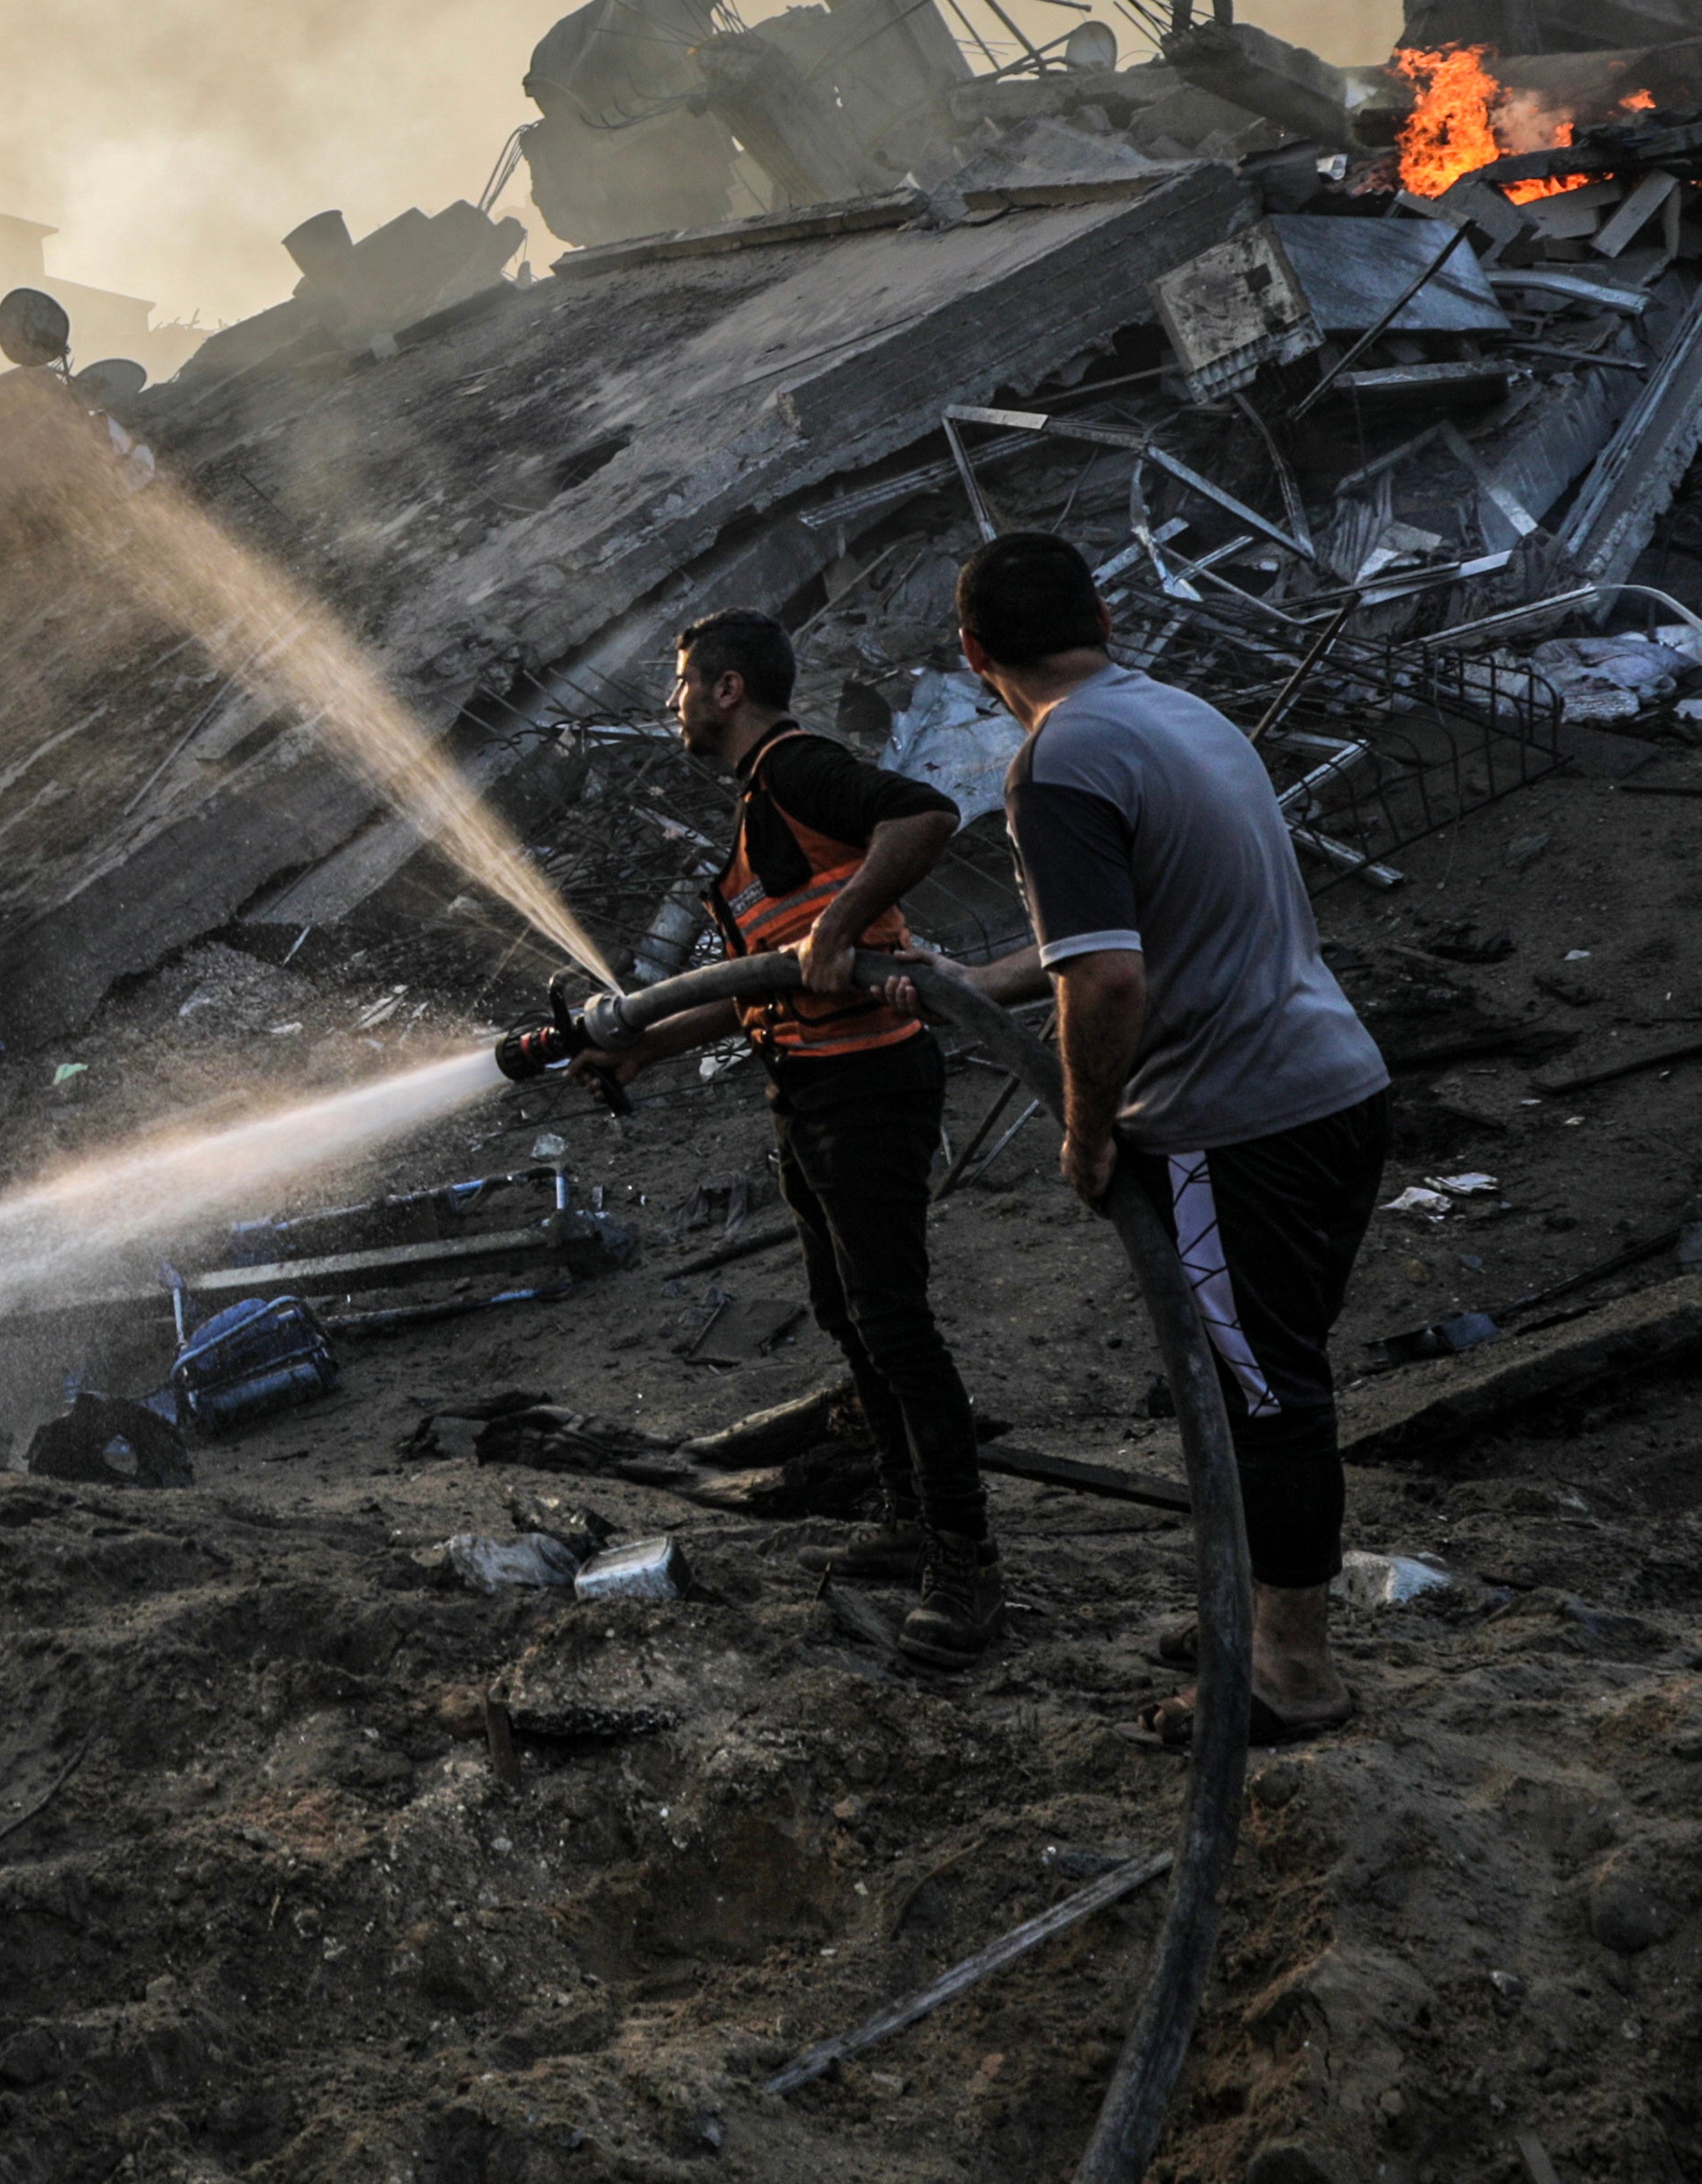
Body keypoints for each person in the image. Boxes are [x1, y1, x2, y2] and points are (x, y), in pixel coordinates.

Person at [946, 529, 1394, 1748]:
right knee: (1258, 1381)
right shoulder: (1180, 714)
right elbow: (1115, 935)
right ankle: (1253, 1618)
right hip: (1336, 1084)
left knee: (1263, 1397)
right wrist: (959, 983)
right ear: (1102, 618)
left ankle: (1291, 1672)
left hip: (1228, 1123)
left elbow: (1107, 984)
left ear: (973, 652)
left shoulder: (1055, 764)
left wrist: (1089, 1138)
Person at [577, 610, 1002, 1672]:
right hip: (813, 1084)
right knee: (846, 1311)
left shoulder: (796, 766)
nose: (672, 703)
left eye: (680, 683)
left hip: (866, 1083)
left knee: (895, 1325)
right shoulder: (763, 804)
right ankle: (907, 1513)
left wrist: (842, 921)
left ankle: (965, 1561)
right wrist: (645, 1047)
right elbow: (767, 978)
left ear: (726, 688)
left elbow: (925, 814)